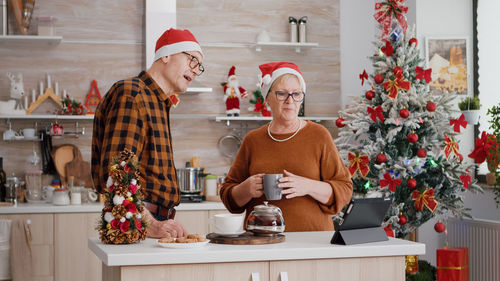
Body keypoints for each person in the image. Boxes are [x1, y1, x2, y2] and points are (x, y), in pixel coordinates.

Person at [91, 28, 204, 238]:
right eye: (192, 60)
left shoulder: (158, 102)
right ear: (167, 55)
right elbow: (119, 172)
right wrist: (150, 224)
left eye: (199, 66)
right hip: (136, 221)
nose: (196, 70)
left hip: (150, 220)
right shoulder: (133, 94)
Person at [220, 62, 353, 232]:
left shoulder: (319, 135)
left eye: (296, 94)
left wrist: (307, 186)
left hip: (314, 242)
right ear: (267, 98)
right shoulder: (253, 140)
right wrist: (246, 189)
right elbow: (228, 196)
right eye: (282, 94)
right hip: (263, 242)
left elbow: (344, 189)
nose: (290, 101)